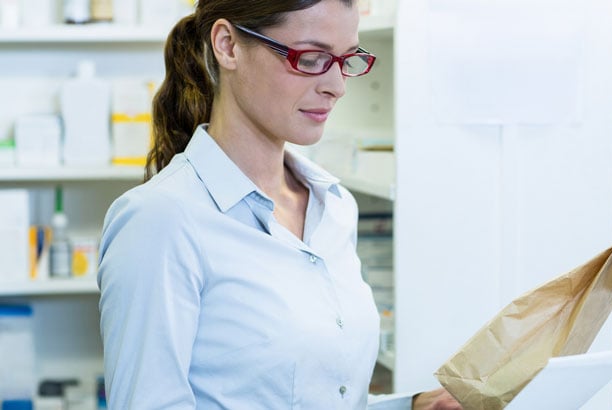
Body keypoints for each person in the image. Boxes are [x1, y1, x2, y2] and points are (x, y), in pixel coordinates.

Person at [96, 1, 462, 409]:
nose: (337, 86)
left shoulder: (334, 208)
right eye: (312, 58)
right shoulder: (161, 220)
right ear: (228, 45)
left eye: (347, 59)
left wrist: (410, 407)